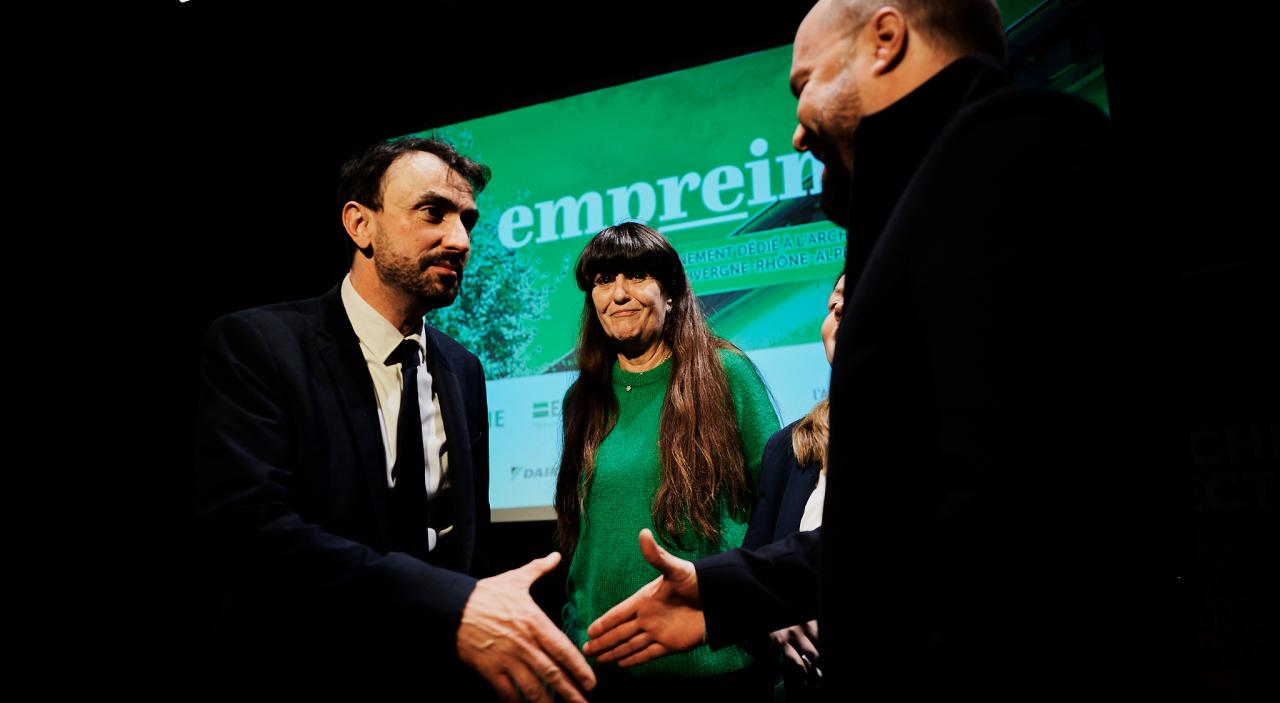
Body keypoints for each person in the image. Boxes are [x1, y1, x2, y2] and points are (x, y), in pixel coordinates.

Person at [584, 1, 1168, 698]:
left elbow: (1021, 511)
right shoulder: (942, 190)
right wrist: (726, 590)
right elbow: (905, 517)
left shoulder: (1018, 156)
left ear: (885, 40)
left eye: (804, 86)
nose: (798, 133)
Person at [193, 137, 595, 702]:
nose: (459, 240)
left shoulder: (463, 367)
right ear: (361, 225)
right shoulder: (259, 345)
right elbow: (251, 532)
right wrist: (450, 603)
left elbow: (464, 533)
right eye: (433, 212)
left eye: (468, 221)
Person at [555, 222, 781, 701]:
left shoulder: (726, 374)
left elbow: (778, 503)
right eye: (602, 281)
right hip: (604, 668)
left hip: (716, 668)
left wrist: (764, 610)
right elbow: (582, 535)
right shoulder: (581, 399)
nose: (617, 294)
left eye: (636, 276)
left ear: (673, 292)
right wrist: (575, 634)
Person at [741, 274, 844, 701]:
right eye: (833, 303)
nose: (837, 311)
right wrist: (772, 617)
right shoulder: (788, 447)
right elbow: (756, 573)